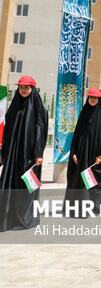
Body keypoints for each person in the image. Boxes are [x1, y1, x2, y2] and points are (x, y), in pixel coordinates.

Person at [0, 76, 48, 232]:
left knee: (25, 187)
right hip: (12, 155)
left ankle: (25, 218)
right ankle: (8, 217)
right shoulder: (14, 106)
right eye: (21, 87)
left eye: (26, 87)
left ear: (32, 89)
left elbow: (41, 130)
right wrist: (3, 152)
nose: (23, 90)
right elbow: (7, 131)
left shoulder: (38, 108)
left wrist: (38, 153)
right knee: (9, 184)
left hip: (29, 155)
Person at [64, 88, 101, 216]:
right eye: (90, 97)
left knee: (93, 179)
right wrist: (73, 152)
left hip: (94, 155)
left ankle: (94, 207)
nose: (92, 100)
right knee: (79, 178)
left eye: (95, 98)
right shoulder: (84, 112)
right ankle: (77, 207)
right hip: (81, 153)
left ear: (99, 99)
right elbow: (77, 134)